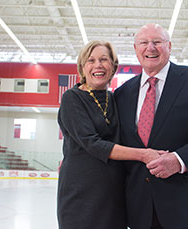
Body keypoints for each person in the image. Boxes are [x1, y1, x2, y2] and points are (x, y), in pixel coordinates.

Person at [114, 24, 188, 229]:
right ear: (135, 48)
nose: (150, 48)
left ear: (169, 46)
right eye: (144, 43)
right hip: (141, 211)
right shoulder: (122, 93)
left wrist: (179, 160)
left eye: (157, 42)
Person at [57, 40, 163, 229]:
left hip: (114, 194)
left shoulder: (115, 98)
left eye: (104, 60)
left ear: (113, 67)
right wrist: (144, 154)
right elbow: (92, 143)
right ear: (82, 67)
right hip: (81, 193)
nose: (98, 65)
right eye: (91, 60)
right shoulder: (72, 98)